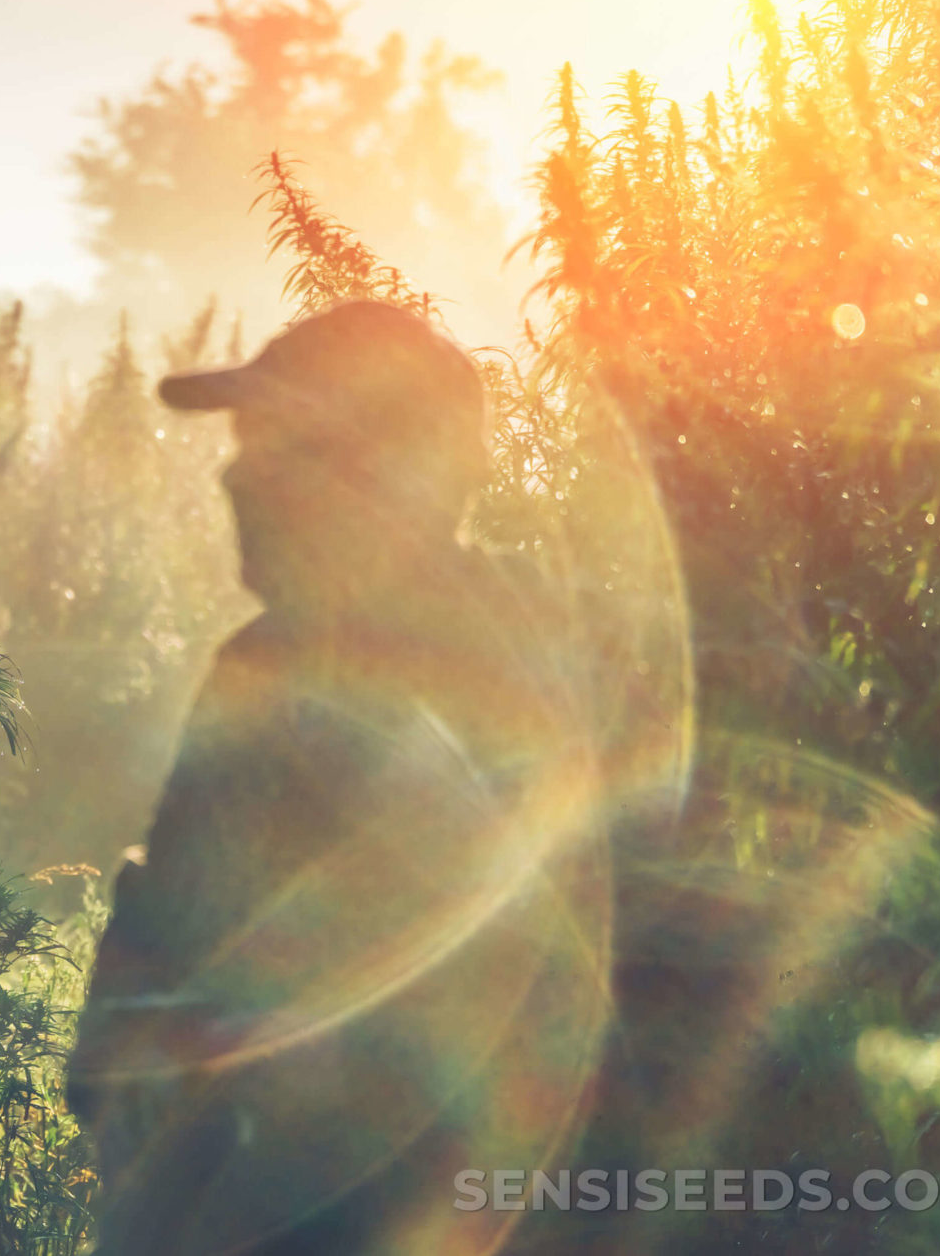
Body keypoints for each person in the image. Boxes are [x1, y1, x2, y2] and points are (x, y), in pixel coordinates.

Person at [68, 301, 609, 1255]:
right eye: (244, 439)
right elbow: (165, 929)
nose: (235, 472)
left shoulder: (506, 674)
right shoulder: (263, 667)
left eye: (281, 441)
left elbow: (505, 1029)